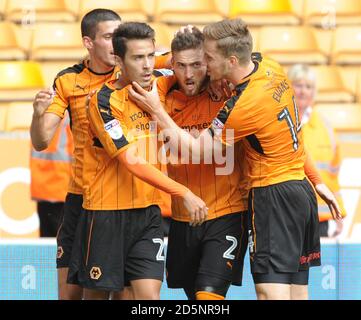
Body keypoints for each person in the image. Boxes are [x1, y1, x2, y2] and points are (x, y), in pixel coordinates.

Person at [128, 18, 342, 300]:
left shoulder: (239, 105)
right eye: (184, 64)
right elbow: (295, 138)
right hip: (297, 191)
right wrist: (316, 180)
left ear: (229, 61)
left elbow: (197, 150)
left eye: (205, 59)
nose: (199, 66)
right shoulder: (269, 66)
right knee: (297, 291)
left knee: (268, 292)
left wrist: (157, 109)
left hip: (265, 198)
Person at [30, 9, 171, 300]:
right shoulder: (68, 81)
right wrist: (36, 115)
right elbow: (42, 140)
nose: (116, 42)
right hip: (82, 201)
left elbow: (176, 58)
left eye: (119, 36)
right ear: (88, 42)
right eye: (108, 36)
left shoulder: (135, 72)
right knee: (69, 293)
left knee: (123, 293)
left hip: (124, 201)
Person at [67, 22, 208, 300]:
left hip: (148, 214)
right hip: (106, 214)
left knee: (149, 299)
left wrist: (199, 37)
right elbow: (131, 160)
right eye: (137, 58)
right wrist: (182, 192)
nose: (146, 65)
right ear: (118, 61)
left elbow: (192, 61)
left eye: (149, 56)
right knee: (97, 296)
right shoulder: (102, 102)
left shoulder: (161, 82)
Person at [157, 27, 248, 300]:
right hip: (183, 217)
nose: (189, 74)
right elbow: (136, 62)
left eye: (197, 64)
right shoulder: (162, 97)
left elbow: (248, 58)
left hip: (226, 213)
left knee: (209, 297)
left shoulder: (229, 93)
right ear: (172, 64)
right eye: (181, 65)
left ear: (208, 62)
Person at [288, 64, 346, 237]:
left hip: (318, 219)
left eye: (309, 87)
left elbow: (332, 177)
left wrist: (339, 211)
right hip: (286, 216)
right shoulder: (276, 122)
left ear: (314, 92)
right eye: (298, 85)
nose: (303, 91)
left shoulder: (326, 128)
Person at [30, 113, 73, 237]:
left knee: (48, 243)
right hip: (63, 188)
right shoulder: (70, 116)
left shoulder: (43, 113)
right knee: (63, 244)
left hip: (43, 187)